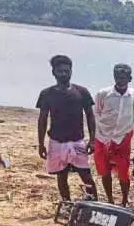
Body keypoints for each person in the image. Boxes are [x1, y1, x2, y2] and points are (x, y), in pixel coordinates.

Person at [36, 55, 98, 201]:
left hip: (77, 141)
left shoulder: (81, 92)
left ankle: (94, 204)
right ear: (54, 72)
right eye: (60, 71)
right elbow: (42, 119)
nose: (63, 74)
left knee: (86, 175)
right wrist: (41, 143)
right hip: (56, 141)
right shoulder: (47, 94)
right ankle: (66, 204)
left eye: (66, 71)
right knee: (61, 176)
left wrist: (92, 140)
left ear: (71, 71)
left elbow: (90, 116)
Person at [93, 63, 134, 206]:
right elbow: (96, 113)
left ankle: (124, 200)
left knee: (124, 172)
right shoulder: (103, 94)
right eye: (117, 77)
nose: (120, 80)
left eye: (123, 77)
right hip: (102, 137)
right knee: (104, 171)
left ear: (129, 78)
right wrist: (100, 135)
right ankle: (110, 200)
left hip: (122, 138)